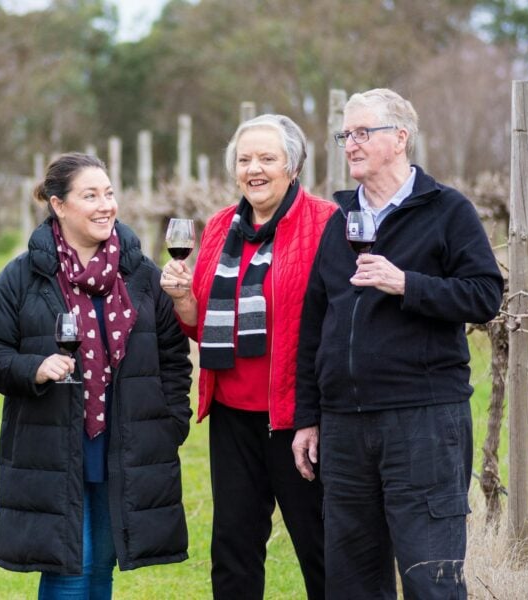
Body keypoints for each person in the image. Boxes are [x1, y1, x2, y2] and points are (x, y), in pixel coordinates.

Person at [292, 88, 504, 599]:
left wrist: (406, 283)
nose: (350, 144)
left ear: (400, 138)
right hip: (344, 428)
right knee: (352, 583)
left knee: (430, 578)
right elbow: (315, 324)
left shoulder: (447, 210)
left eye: (363, 132)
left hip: (423, 422)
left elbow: (484, 295)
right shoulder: (338, 221)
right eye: (346, 134)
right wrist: (309, 416)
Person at [0, 152, 192, 599]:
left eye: (109, 194)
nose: (105, 205)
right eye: (90, 195)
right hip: (55, 446)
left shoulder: (141, 275)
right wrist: (32, 368)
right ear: (58, 205)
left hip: (124, 445)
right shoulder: (24, 276)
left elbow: (173, 354)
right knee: (70, 568)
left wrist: (170, 421)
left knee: (100, 567)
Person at [161, 114, 334, 600]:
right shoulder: (219, 227)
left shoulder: (325, 224)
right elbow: (203, 325)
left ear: (293, 166)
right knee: (234, 549)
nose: (254, 169)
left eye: (267, 159)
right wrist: (181, 300)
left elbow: (336, 324)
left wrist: (314, 414)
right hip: (234, 414)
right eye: (244, 159)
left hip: (298, 417)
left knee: (320, 548)